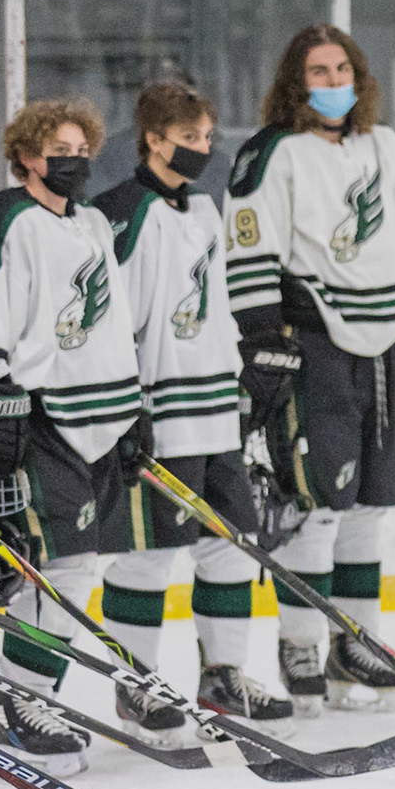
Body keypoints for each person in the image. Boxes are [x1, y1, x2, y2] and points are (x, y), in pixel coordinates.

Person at [223, 23, 395, 715]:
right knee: (315, 507)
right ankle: (302, 647)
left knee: (368, 507)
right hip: (312, 344)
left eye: (343, 69)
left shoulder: (383, 145)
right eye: (319, 71)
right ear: (296, 81)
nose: (334, 82)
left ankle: (357, 647)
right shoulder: (271, 153)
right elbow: (248, 251)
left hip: (378, 345)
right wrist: (263, 339)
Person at [91, 79, 293, 739]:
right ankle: (137, 687)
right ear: (153, 139)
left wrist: (245, 379)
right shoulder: (120, 213)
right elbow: (107, 322)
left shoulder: (205, 208)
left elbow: (216, 306)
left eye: (207, 137)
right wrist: (124, 410)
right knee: (148, 556)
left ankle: (222, 678)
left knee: (230, 548)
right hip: (158, 415)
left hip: (215, 413)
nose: (202, 149)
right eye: (188, 138)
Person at [0, 96, 147, 777]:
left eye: (81, 151)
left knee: (76, 567)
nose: (74, 162)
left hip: (100, 417)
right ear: (25, 156)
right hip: (37, 417)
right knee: (59, 567)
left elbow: (113, 321)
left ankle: (30, 700)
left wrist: (134, 410)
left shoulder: (94, 222)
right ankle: (19, 705)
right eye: (58, 152)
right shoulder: (3, 219)